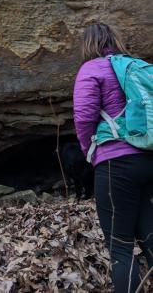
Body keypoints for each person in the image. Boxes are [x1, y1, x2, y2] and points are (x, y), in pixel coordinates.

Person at [73, 23, 153, 293]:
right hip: (147, 158)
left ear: (88, 44)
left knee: (120, 247)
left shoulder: (91, 69)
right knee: (150, 236)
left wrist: (89, 151)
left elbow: (84, 117)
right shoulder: (135, 65)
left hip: (114, 164)